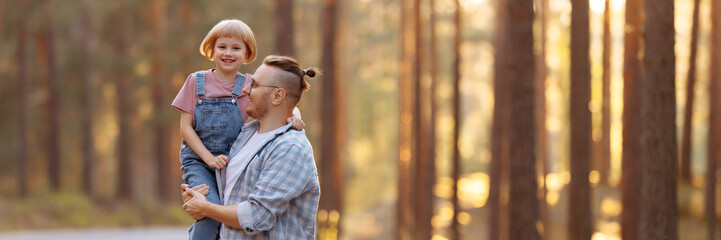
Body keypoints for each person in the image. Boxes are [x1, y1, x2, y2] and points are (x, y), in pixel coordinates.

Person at [172, 20, 304, 240]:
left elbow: (283, 100)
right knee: (209, 211)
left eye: (236, 48)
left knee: (227, 217)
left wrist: (296, 116)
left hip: (231, 163)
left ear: (247, 53)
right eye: (222, 47)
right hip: (198, 161)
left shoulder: (250, 84)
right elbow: (185, 128)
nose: (228, 53)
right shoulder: (196, 81)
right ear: (211, 49)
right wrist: (208, 158)